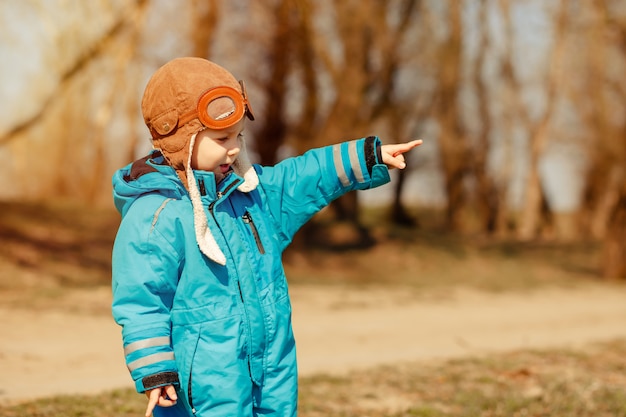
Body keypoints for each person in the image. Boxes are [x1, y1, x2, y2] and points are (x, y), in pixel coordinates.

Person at [111, 56, 422, 417]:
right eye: (223, 138)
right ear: (182, 140)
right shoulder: (158, 214)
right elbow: (140, 299)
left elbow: (304, 176)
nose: (234, 148)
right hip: (210, 375)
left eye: (239, 135)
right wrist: (155, 370)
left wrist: (368, 157)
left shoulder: (252, 192)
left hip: (273, 359)